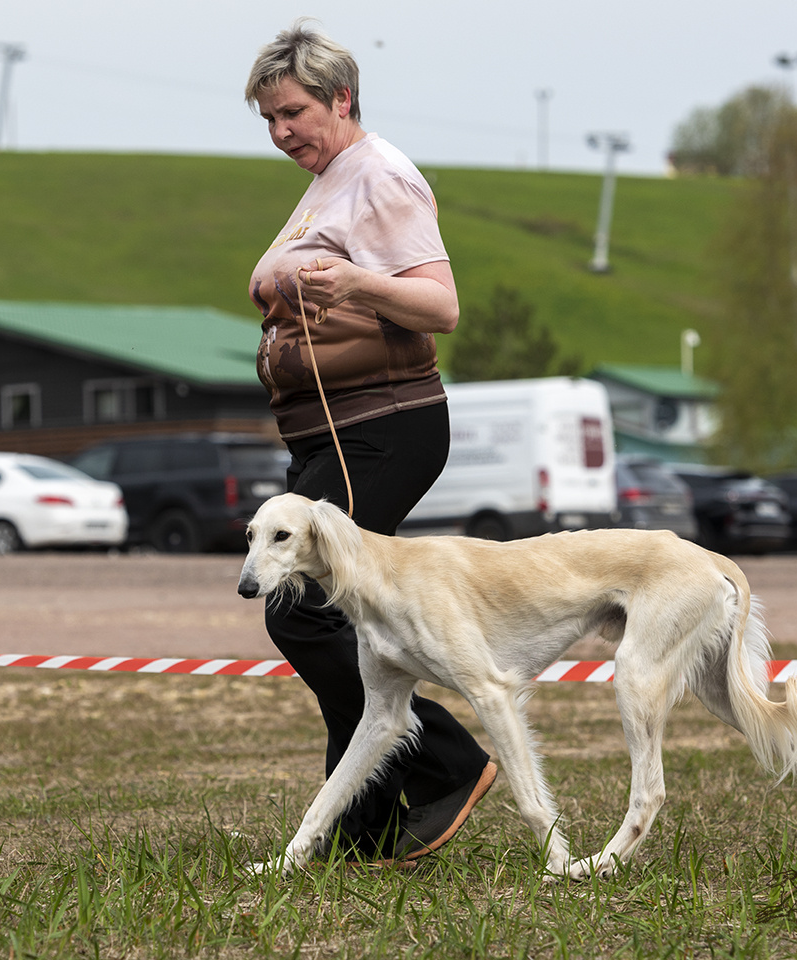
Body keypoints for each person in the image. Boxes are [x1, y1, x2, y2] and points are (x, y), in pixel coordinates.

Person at [243, 20, 497, 864]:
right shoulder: (329, 180)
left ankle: (452, 766)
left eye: (293, 112)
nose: (282, 132)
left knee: (308, 612)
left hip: (380, 427)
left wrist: (354, 280)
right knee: (337, 621)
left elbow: (441, 308)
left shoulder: (380, 176)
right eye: (270, 119)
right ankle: (365, 826)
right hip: (331, 431)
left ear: (340, 99)